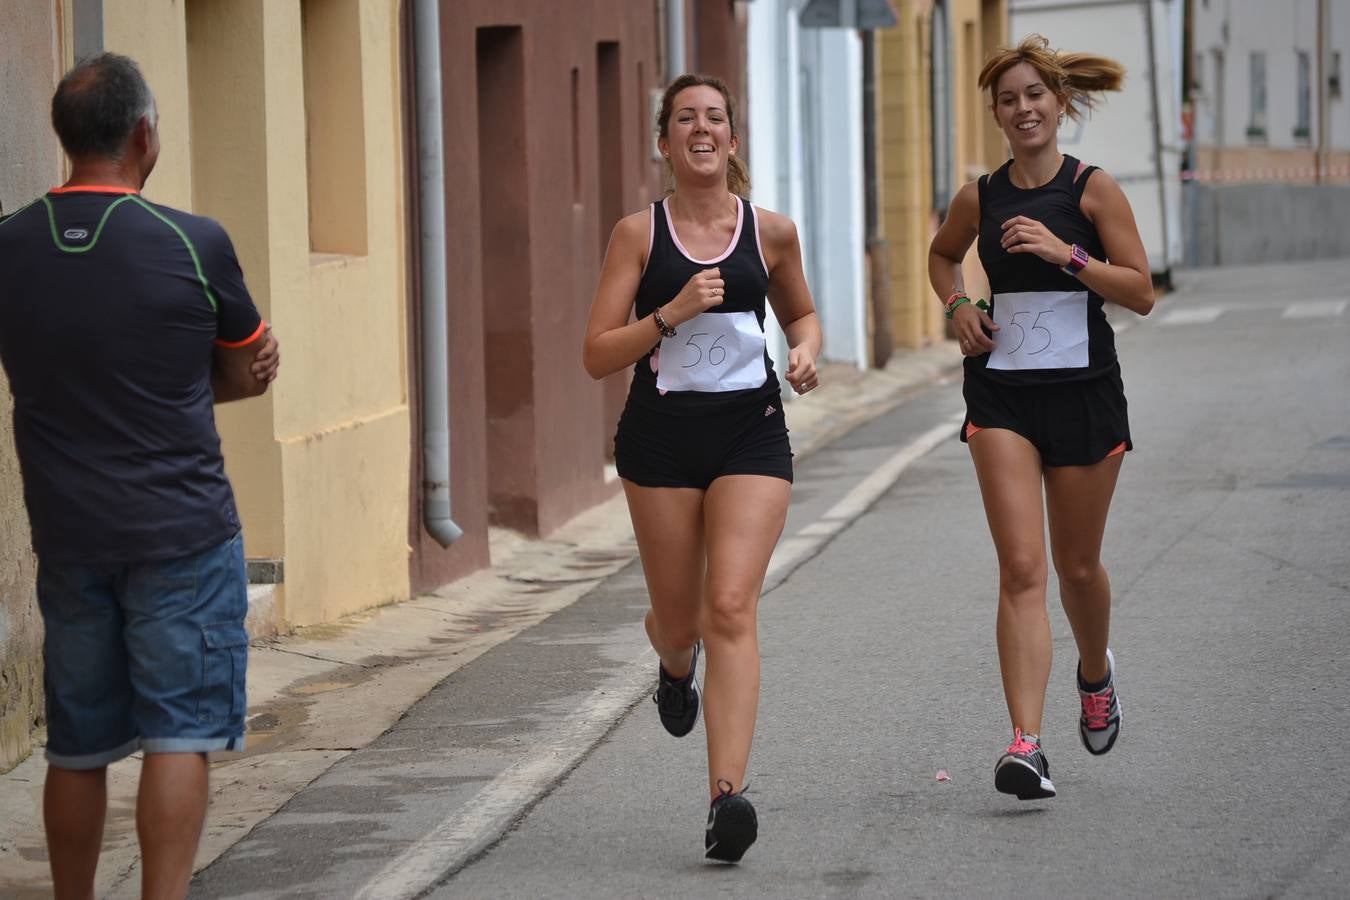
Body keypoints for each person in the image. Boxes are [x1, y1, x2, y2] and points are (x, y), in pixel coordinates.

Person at [0, 54, 278, 899]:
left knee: (76, 744)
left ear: (65, 136)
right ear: (145, 134)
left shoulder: (11, 244)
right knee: (179, 735)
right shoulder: (194, 242)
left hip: (69, 533)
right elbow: (241, 369)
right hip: (182, 531)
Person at [582, 73, 821, 861]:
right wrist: (668, 314)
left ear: (732, 139)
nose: (702, 127)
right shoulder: (638, 235)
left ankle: (727, 797)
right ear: (665, 143)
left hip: (750, 435)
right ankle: (672, 662)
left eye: (715, 116)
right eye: (685, 118)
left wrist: (807, 352)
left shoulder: (771, 232)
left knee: (730, 607)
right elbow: (596, 354)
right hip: (659, 444)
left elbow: (802, 314)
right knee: (681, 622)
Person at [927, 35, 1154, 800]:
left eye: (1034, 96)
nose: (1022, 109)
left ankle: (1096, 672)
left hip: (1086, 394)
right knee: (1021, 568)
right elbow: (941, 255)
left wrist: (1069, 256)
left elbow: (1142, 291)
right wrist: (959, 304)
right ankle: (1026, 743)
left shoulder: (1093, 190)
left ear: (1059, 105)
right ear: (995, 113)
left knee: (1077, 568)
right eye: (1008, 99)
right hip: (1003, 396)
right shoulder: (981, 196)